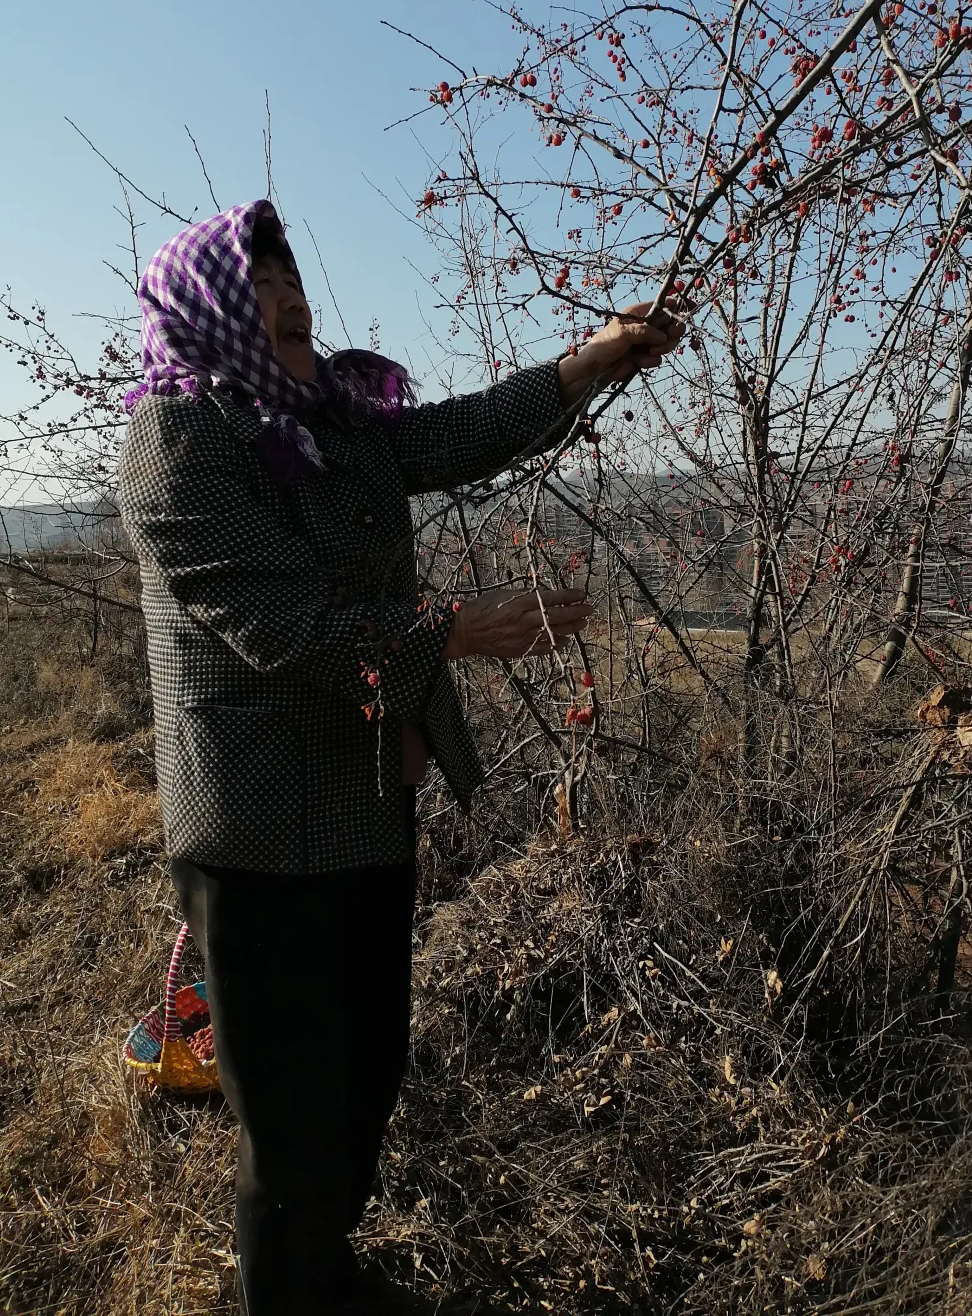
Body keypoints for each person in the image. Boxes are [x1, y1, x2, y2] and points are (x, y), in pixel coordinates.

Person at [117, 198, 683, 1315]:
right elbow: (282, 626)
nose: (289, 308)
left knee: (367, 1081)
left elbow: (466, 431)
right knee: (289, 1128)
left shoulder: (334, 421)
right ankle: (286, 1292)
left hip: (371, 799)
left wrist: (597, 360)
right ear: (211, 311)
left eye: (297, 292)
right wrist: (452, 631)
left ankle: (329, 1279)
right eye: (262, 294)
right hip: (261, 832)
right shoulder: (179, 441)